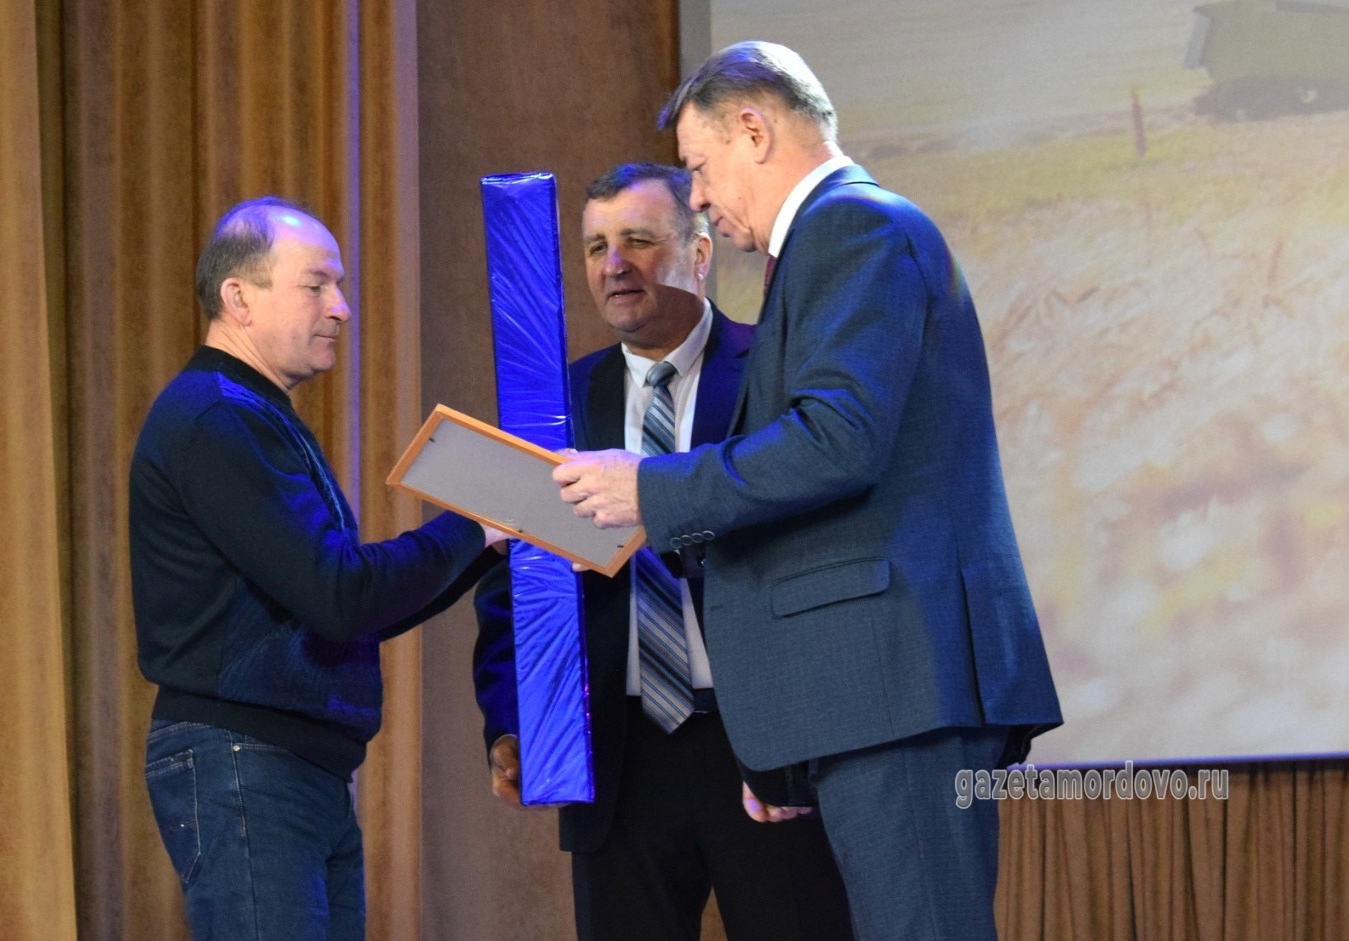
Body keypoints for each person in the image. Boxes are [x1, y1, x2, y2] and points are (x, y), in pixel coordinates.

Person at [552, 44, 1064, 941]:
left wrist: (649, 487)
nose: (698, 195)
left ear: (753, 131)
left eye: (699, 167)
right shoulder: (836, 236)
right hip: (871, 693)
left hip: (894, 688)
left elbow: (837, 439)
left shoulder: (849, 226)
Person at [474, 164, 852, 941]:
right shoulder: (554, 405)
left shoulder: (775, 373)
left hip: (760, 744)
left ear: (700, 252)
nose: (613, 265)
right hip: (617, 759)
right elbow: (507, 585)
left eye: (638, 241)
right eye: (596, 247)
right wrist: (512, 723)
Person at [128, 196, 505, 941]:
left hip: (289, 768)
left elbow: (345, 609)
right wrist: (478, 523)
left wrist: (488, 540)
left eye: (339, 286)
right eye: (316, 284)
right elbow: (340, 594)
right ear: (239, 298)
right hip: (247, 764)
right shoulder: (217, 416)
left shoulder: (247, 412)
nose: (342, 307)